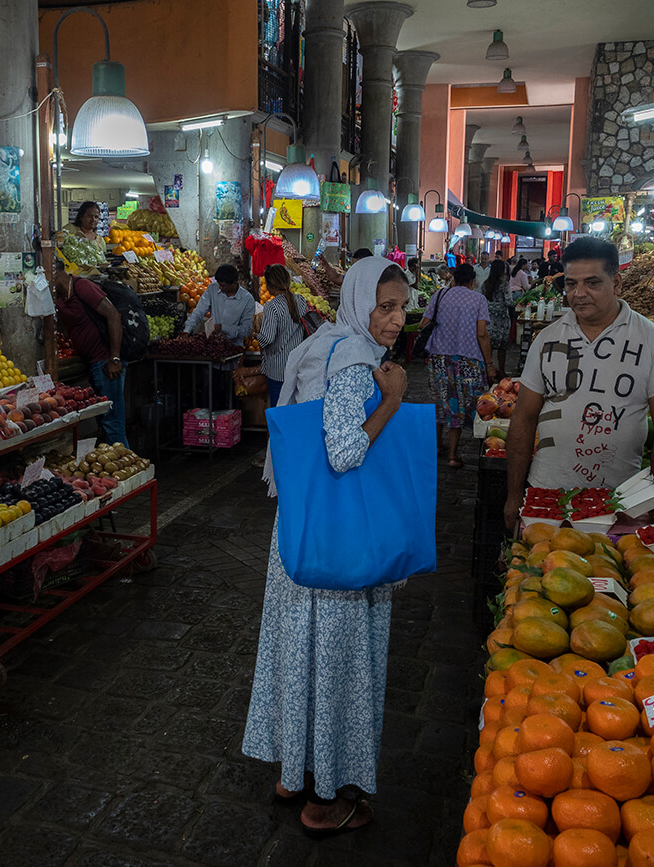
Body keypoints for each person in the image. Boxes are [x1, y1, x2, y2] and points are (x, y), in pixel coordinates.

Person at [244, 255, 411, 837]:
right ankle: (325, 799)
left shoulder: (324, 345)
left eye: (402, 307)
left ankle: (293, 773)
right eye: (385, 307)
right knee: (336, 666)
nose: (396, 319)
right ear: (361, 302)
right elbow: (343, 452)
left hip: (302, 531)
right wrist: (391, 402)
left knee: (300, 655)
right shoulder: (356, 363)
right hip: (342, 545)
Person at [503, 237, 654, 532]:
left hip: (620, 499)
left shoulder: (652, 340)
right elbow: (523, 418)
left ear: (617, 283)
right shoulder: (547, 339)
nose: (579, 294)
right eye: (571, 284)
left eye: (592, 283)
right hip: (547, 494)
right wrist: (514, 495)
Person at [422, 262, 495, 468]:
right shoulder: (478, 299)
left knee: (440, 401)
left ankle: (437, 446)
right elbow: (482, 334)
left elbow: (423, 324)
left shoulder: (439, 295)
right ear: (473, 281)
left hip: (439, 357)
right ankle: (453, 456)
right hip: (468, 359)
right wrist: (489, 364)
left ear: (454, 278)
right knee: (459, 404)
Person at [51, 263, 129, 446]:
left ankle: (124, 459)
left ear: (55, 273)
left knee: (112, 420)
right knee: (103, 419)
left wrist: (115, 358)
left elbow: (113, 315)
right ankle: (111, 458)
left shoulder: (82, 286)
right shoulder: (59, 297)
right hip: (91, 362)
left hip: (106, 361)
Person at [256, 264, 309, 407]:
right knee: (294, 408)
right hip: (297, 366)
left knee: (279, 409)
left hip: (278, 370)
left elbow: (267, 338)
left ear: (269, 285)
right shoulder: (301, 301)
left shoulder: (271, 306)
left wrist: (256, 335)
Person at [183, 264, 255, 344]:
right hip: (212, 343)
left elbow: (246, 330)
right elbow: (199, 311)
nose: (220, 288)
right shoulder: (212, 289)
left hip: (233, 346)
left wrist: (223, 328)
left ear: (234, 283)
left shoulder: (247, 300)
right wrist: (187, 330)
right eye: (219, 284)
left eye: (223, 286)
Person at [482, 259, 516, 376]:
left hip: (489, 318)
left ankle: (488, 370)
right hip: (502, 319)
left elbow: (482, 300)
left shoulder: (485, 284)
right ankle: (502, 372)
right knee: (502, 348)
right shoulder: (504, 284)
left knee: (489, 346)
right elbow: (509, 301)